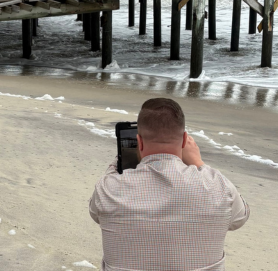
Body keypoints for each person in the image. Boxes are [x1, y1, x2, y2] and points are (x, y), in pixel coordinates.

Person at [89, 98, 249, 271]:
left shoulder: (108, 188)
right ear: (184, 140)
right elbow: (240, 218)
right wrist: (198, 162)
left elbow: (96, 213)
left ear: (139, 142)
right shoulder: (218, 186)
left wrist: (118, 163)